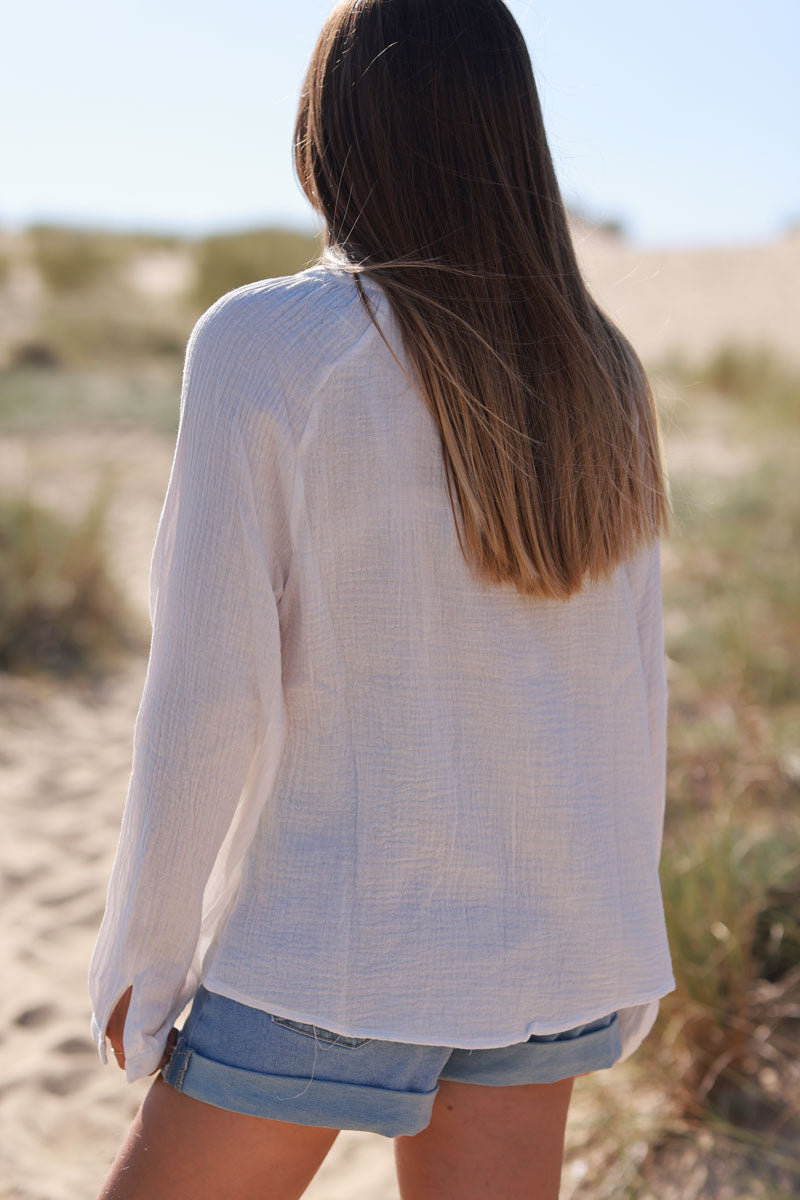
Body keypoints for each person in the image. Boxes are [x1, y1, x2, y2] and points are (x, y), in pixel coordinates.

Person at [88, 1, 676, 1197]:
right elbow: (629, 690)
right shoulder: (599, 366)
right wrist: (621, 942)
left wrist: (143, 958)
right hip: (548, 951)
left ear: (330, 134)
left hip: (329, 949)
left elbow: (207, 695)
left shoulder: (271, 342)